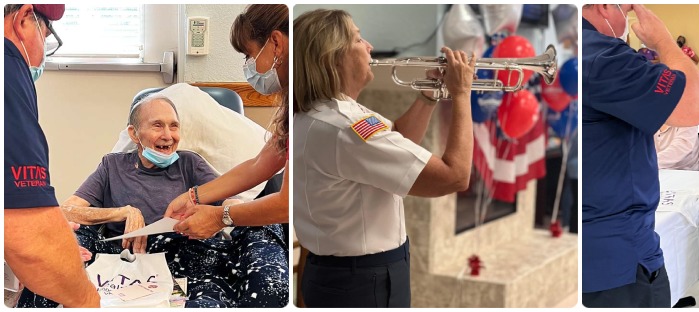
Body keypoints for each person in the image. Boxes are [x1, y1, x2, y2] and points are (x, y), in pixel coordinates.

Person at [15, 95, 289, 308]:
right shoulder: (112, 166)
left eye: (174, 126)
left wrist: (214, 214)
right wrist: (121, 212)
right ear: (134, 134)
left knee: (261, 233)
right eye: (157, 125)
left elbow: (230, 201)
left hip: (189, 257)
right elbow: (65, 211)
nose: (168, 136)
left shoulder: (189, 163)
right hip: (127, 261)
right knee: (64, 242)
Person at [291, 9, 476, 308]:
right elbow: (455, 176)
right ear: (333, 56)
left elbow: (397, 138)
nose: (370, 46)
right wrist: (463, 93)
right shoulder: (344, 129)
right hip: (364, 280)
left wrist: (428, 95)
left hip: (346, 273)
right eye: (358, 38)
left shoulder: (331, 115)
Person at [582, 4, 699, 307]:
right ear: (604, 7)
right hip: (615, 260)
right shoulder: (603, 57)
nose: (628, 19)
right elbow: (695, 107)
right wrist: (664, 41)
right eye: (626, 10)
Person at [164, 4, 289, 241]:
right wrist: (193, 196)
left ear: (275, 42)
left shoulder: (310, 109)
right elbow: (258, 165)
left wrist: (220, 216)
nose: (248, 65)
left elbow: (285, 205)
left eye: (249, 55)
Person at [4, 4, 101, 307]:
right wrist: (88, 300)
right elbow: (30, 241)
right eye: (45, 37)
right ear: (22, 19)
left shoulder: (191, 164)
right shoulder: (8, 71)